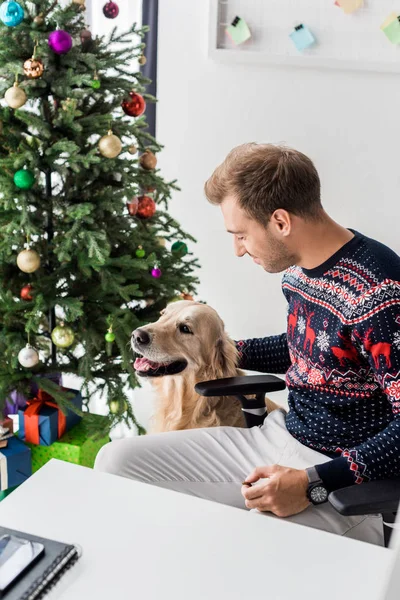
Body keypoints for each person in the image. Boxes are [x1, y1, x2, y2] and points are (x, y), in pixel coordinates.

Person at [95, 143, 400, 545]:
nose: (238, 249)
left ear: (280, 221)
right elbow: (306, 348)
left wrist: (313, 485)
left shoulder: (379, 293)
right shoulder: (299, 272)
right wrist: (208, 348)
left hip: (342, 476)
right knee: (114, 462)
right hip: (278, 438)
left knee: (241, 549)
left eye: (241, 234)